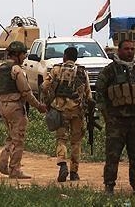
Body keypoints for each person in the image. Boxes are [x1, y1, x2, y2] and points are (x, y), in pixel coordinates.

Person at [95, 39, 135, 195]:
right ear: (119, 51)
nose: (130, 52)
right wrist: (106, 114)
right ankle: (109, 186)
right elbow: (99, 91)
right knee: (113, 155)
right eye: (126, 49)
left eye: (132, 49)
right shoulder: (110, 70)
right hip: (117, 121)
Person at [0, 41, 47, 179]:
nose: (24, 57)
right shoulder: (17, 70)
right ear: (16, 54)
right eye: (23, 54)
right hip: (15, 107)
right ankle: (15, 169)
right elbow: (26, 92)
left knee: (11, 136)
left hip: (3, 105)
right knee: (18, 139)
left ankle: (3, 163)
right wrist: (38, 106)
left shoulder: (0, 69)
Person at [42, 46, 92, 182]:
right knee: (76, 142)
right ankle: (74, 172)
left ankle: (62, 164)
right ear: (76, 58)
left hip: (60, 110)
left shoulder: (56, 70)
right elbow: (88, 94)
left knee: (61, 139)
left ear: (64, 56)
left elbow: (44, 86)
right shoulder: (82, 72)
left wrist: (47, 101)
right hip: (77, 111)